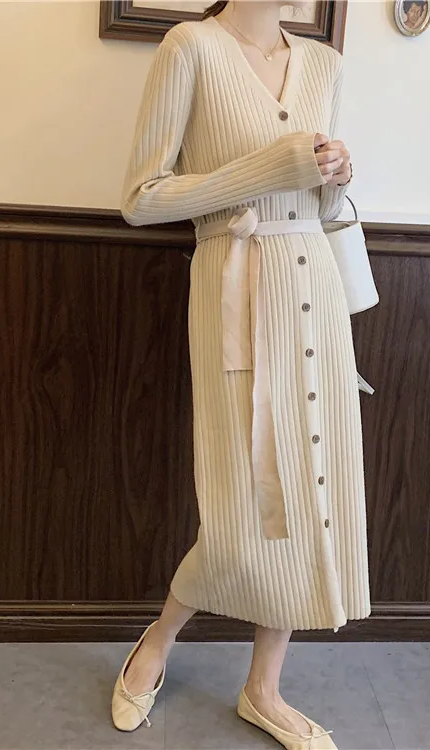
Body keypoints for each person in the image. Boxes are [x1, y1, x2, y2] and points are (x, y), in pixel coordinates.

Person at [112, 1, 370, 747]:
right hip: (235, 287)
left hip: (315, 291)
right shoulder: (190, 47)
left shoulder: (325, 64)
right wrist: (269, 167)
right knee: (241, 502)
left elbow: (322, 204)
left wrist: (336, 176)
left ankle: (264, 688)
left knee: (310, 484)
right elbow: (140, 199)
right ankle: (159, 637)